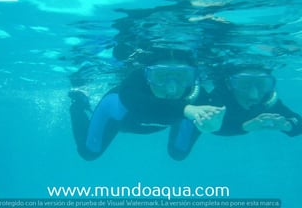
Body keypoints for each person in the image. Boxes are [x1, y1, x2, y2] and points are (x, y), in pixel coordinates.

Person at [69, 49, 225, 161]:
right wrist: (186, 109)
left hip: (176, 115)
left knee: (178, 154)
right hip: (117, 117)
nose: (172, 88)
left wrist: (214, 126)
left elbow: (228, 117)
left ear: (192, 77)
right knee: (88, 153)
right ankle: (79, 101)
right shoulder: (133, 86)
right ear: (147, 76)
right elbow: (138, 104)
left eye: (181, 76)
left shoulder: (197, 93)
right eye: (160, 76)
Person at [201, 66, 302, 138]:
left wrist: (288, 126)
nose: (254, 95)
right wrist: (243, 127)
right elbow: (212, 127)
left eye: (261, 84)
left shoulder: (267, 100)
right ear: (229, 85)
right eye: (244, 84)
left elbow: (298, 122)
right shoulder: (220, 97)